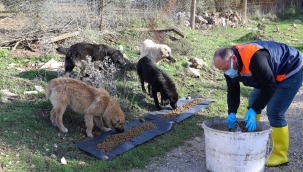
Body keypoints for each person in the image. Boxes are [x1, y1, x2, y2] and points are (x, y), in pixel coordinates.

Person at [213, 41, 303, 167]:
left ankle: (280, 155)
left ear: (233, 58)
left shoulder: (255, 59)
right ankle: (251, 138)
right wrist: (232, 111)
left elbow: (270, 86)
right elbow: (233, 91)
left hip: (290, 67)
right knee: (253, 100)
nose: (225, 72)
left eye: (225, 68)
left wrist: (255, 109)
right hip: (268, 73)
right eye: (221, 70)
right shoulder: (230, 65)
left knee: (275, 112)